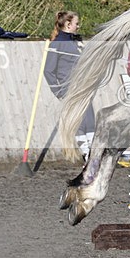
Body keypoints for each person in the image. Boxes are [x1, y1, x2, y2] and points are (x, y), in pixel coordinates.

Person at [44, 11, 95, 158]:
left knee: (90, 118)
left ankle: (92, 150)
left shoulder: (75, 42)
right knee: (80, 120)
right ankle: (86, 151)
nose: (78, 26)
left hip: (83, 86)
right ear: (68, 24)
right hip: (70, 87)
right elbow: (48, 71)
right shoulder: (58, 43)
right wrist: (59, 92)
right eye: (76, 24)